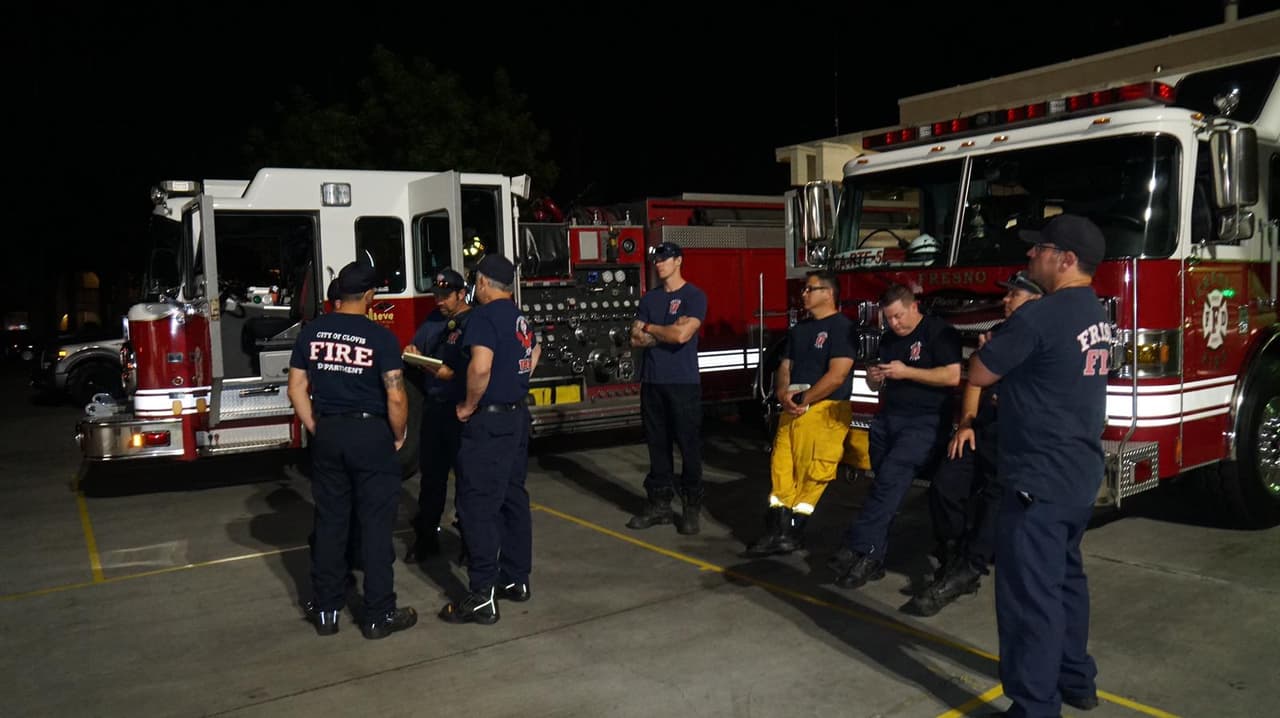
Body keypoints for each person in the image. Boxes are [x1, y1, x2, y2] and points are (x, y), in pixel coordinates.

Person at [969, 214, 1110, 717]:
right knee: (1067, 582)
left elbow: (980, 372)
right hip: (1077, 473)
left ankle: (1034, 705)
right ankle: (1076, 680)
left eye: (1039, 250)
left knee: (1030, 599)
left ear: (1065, 260)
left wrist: (991, 349)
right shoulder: (1096, 311)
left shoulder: (1040, 316)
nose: (1030, 257)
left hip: (1036, 477)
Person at [289, 261, 417, 639]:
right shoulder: (380, 337)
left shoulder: (312, 332)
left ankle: (327, 611)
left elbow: (296, 387)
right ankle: (378, 615)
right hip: (370, 434)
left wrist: (316, 425)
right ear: (369, 296)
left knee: (330, 524)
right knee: (376, 527)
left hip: (329, 433)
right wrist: (398, 434)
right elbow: (395, 395)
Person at [904, 271, 1043, 618]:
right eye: (1007, 294)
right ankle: (952, 555)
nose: (1005, 300)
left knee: (997, 499)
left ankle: (968, 569)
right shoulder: (998, 335)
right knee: (945, 486)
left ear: (1036, 300)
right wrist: (965, 424)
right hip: (981, 430)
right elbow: (975, 384)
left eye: (1014, 295)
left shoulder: (1042, 338)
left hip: (1017, 437)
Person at [831, 284, 961, 589]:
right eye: (888, 319)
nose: (894, 324)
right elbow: (879, 386)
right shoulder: (888, 340)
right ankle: (872, 554)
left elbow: (953, 376)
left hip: (923, 422)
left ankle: (859, 548)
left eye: (898, 316)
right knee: (884, 487)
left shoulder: (939, 333)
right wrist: (875, 378)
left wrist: (908, 372)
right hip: (887, 420)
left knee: (889, 480)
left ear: (914, 306)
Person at [439, 254, 541, 625]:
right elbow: (533, 353)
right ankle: (516, 579)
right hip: (516, 417)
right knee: (513, 496)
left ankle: (482, 593)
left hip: (490, 421)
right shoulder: (518, 316)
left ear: (482, 283)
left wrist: (468, 404)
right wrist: (515, 382)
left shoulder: (482, 317)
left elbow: (480, 366)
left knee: (477, 505)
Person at [744, 270, 854, 557]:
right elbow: (785, 367)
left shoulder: (841, 327)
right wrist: (783, 394)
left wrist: (805, 398)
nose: (803, 294)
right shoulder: (800, 330)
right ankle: (777, 530)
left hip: (824, 411)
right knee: (781, 469)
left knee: (812, 474)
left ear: (828, 294)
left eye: (810, 289)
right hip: (792, 410)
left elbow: (837, 375)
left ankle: (793, 531)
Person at [626, 241, 709, 534]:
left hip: (683, 383)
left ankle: (690, 507)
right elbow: (636, 338)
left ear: (678, 261)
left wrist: (651, 329)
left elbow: (682, 336)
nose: (658, 263)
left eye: (664, 258)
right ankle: (660, 505)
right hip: (653, 382)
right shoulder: (650, 299)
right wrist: (662, 330)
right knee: (656, 445)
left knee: (688, 446)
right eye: (656, 259)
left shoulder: (694, 296)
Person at [403, 268, 472, 562]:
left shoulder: (473, 323)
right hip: (435, 410)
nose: (440, 301)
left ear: (461, 294)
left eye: (446, 296)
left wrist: (432, 367)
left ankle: (470, 541)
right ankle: (427, 537)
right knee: (432, 478)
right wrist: (412, 353)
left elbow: (466, 371)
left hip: (463, 411)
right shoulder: (433, 321)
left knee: (468, 480)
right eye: (436, 295)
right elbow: (419, 349)